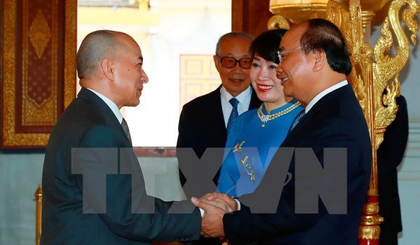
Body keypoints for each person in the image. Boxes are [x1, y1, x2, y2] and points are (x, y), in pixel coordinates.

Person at [193, 18, 372, 244]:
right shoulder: (325, 112)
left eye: (284, 56)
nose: (280, 69)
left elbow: (299, 209)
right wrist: (237, 206)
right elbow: (287, 193)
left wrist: (227, 224)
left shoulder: (335, 122)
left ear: (317, 58)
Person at [41, 30, 202, 244]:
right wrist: (199, 218)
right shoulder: (96, 130)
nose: (144, 76)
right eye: (138, 64)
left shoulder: (84, 115)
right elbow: (129, 214)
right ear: (109, 68)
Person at [176, 31, 261, 245]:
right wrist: (217, 215)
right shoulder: (194, 111)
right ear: (216, 62)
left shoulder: (269, 109)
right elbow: (190, 173)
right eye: (229, 60)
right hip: (209, 227)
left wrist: (237, 218)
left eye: (246, 62)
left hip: (257, 225)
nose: (237, 70)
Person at [217, 29, 304, 198]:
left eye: (272, 66)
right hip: (235, 221)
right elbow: (224, 186)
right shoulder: (242, 121)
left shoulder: (306, 120)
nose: (261, 76)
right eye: (256, 65)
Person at [377, 95, 408, 245]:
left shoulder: (395, 101)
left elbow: (393, 156)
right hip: (344, 206)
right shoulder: (344, 100)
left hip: (384, 202)